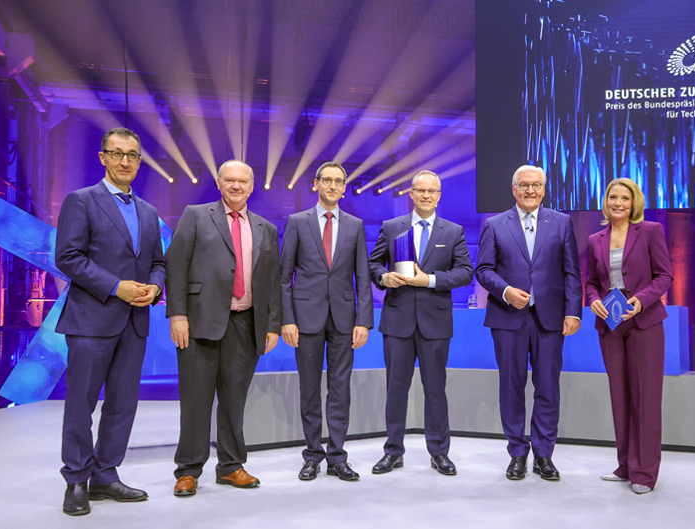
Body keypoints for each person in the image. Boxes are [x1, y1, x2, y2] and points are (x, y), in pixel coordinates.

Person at [55, 127, 165, 516]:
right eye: (116, 153)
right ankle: (76, 480)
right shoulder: (81, 201)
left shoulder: (149, 212)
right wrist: (116, 286)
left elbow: (157, 262)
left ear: (139, 160)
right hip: (90, 320)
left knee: (122, 405)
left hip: (134, 323)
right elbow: (68, 257)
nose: (124, 161)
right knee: (80, 405)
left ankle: (105, 475)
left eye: (132, 155)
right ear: (102, 157)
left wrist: (154, 286)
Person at [166, 160, 281, 496]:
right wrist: (177, 315)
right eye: (229, 180)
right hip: (199, 322)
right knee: (196, 401)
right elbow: (176, 265)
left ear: (252, 185)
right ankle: (188, 470)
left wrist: (272, 324)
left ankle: (231, 466)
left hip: (246, 325)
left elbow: (271, 281)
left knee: (234, 401)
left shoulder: (266, 228)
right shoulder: (196, 215)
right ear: (219, 183)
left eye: (242, 181)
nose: (236, 186)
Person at [475, 164, 582, 481]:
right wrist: (506, 291)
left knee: (548, 388)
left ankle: (544, 455)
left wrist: (573, 311)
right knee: (511, 388)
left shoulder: (561, 223)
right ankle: (517, 453)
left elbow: (571, 272)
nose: (530, 190)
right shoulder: (495, 225)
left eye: (536, 185)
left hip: (550, 320)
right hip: (507, 317)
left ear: (544, 189)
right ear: (514, 189)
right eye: (524, 185)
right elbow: (483, 270)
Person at [368, 170, 473, 476]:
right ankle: (393, 451)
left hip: (435, 324)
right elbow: (374, 263)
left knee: (435, 390)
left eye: (432, 191)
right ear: (410, 194)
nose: (426, 195)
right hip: (397, 321)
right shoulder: (392, 227)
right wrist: (383, 277)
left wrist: (430, 280)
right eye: (421, 190)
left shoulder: (453, 231)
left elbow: (465, 272)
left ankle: (439, 452)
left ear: (439, 196)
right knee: (395, 389)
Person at [280, 161, 373, 481]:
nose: (333, 186)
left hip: (345, 320)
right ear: (316, 184)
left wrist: (364, 320)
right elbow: (283, 278)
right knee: (308, 390)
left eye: (338, 182)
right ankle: (312, 456)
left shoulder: (355, 225)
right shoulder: (297, 221)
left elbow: (363, 276)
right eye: (327, 180)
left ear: (344, 188)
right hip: (305, 319)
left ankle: (337, 456)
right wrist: (286, 320)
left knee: (340, 389)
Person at [585, 177, 673, 494]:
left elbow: (665, 275)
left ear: (634, 202)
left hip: (644, 322)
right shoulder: (596, 239)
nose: (618, 203)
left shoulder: (650, 231)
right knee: (620, 398)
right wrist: (593, 299)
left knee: (645, 400)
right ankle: (625, 466)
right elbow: (592, 281)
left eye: (625, 198)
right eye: (613, 197)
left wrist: (642, 299)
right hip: (610, 323)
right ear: (606, 201)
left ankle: (644, 473)